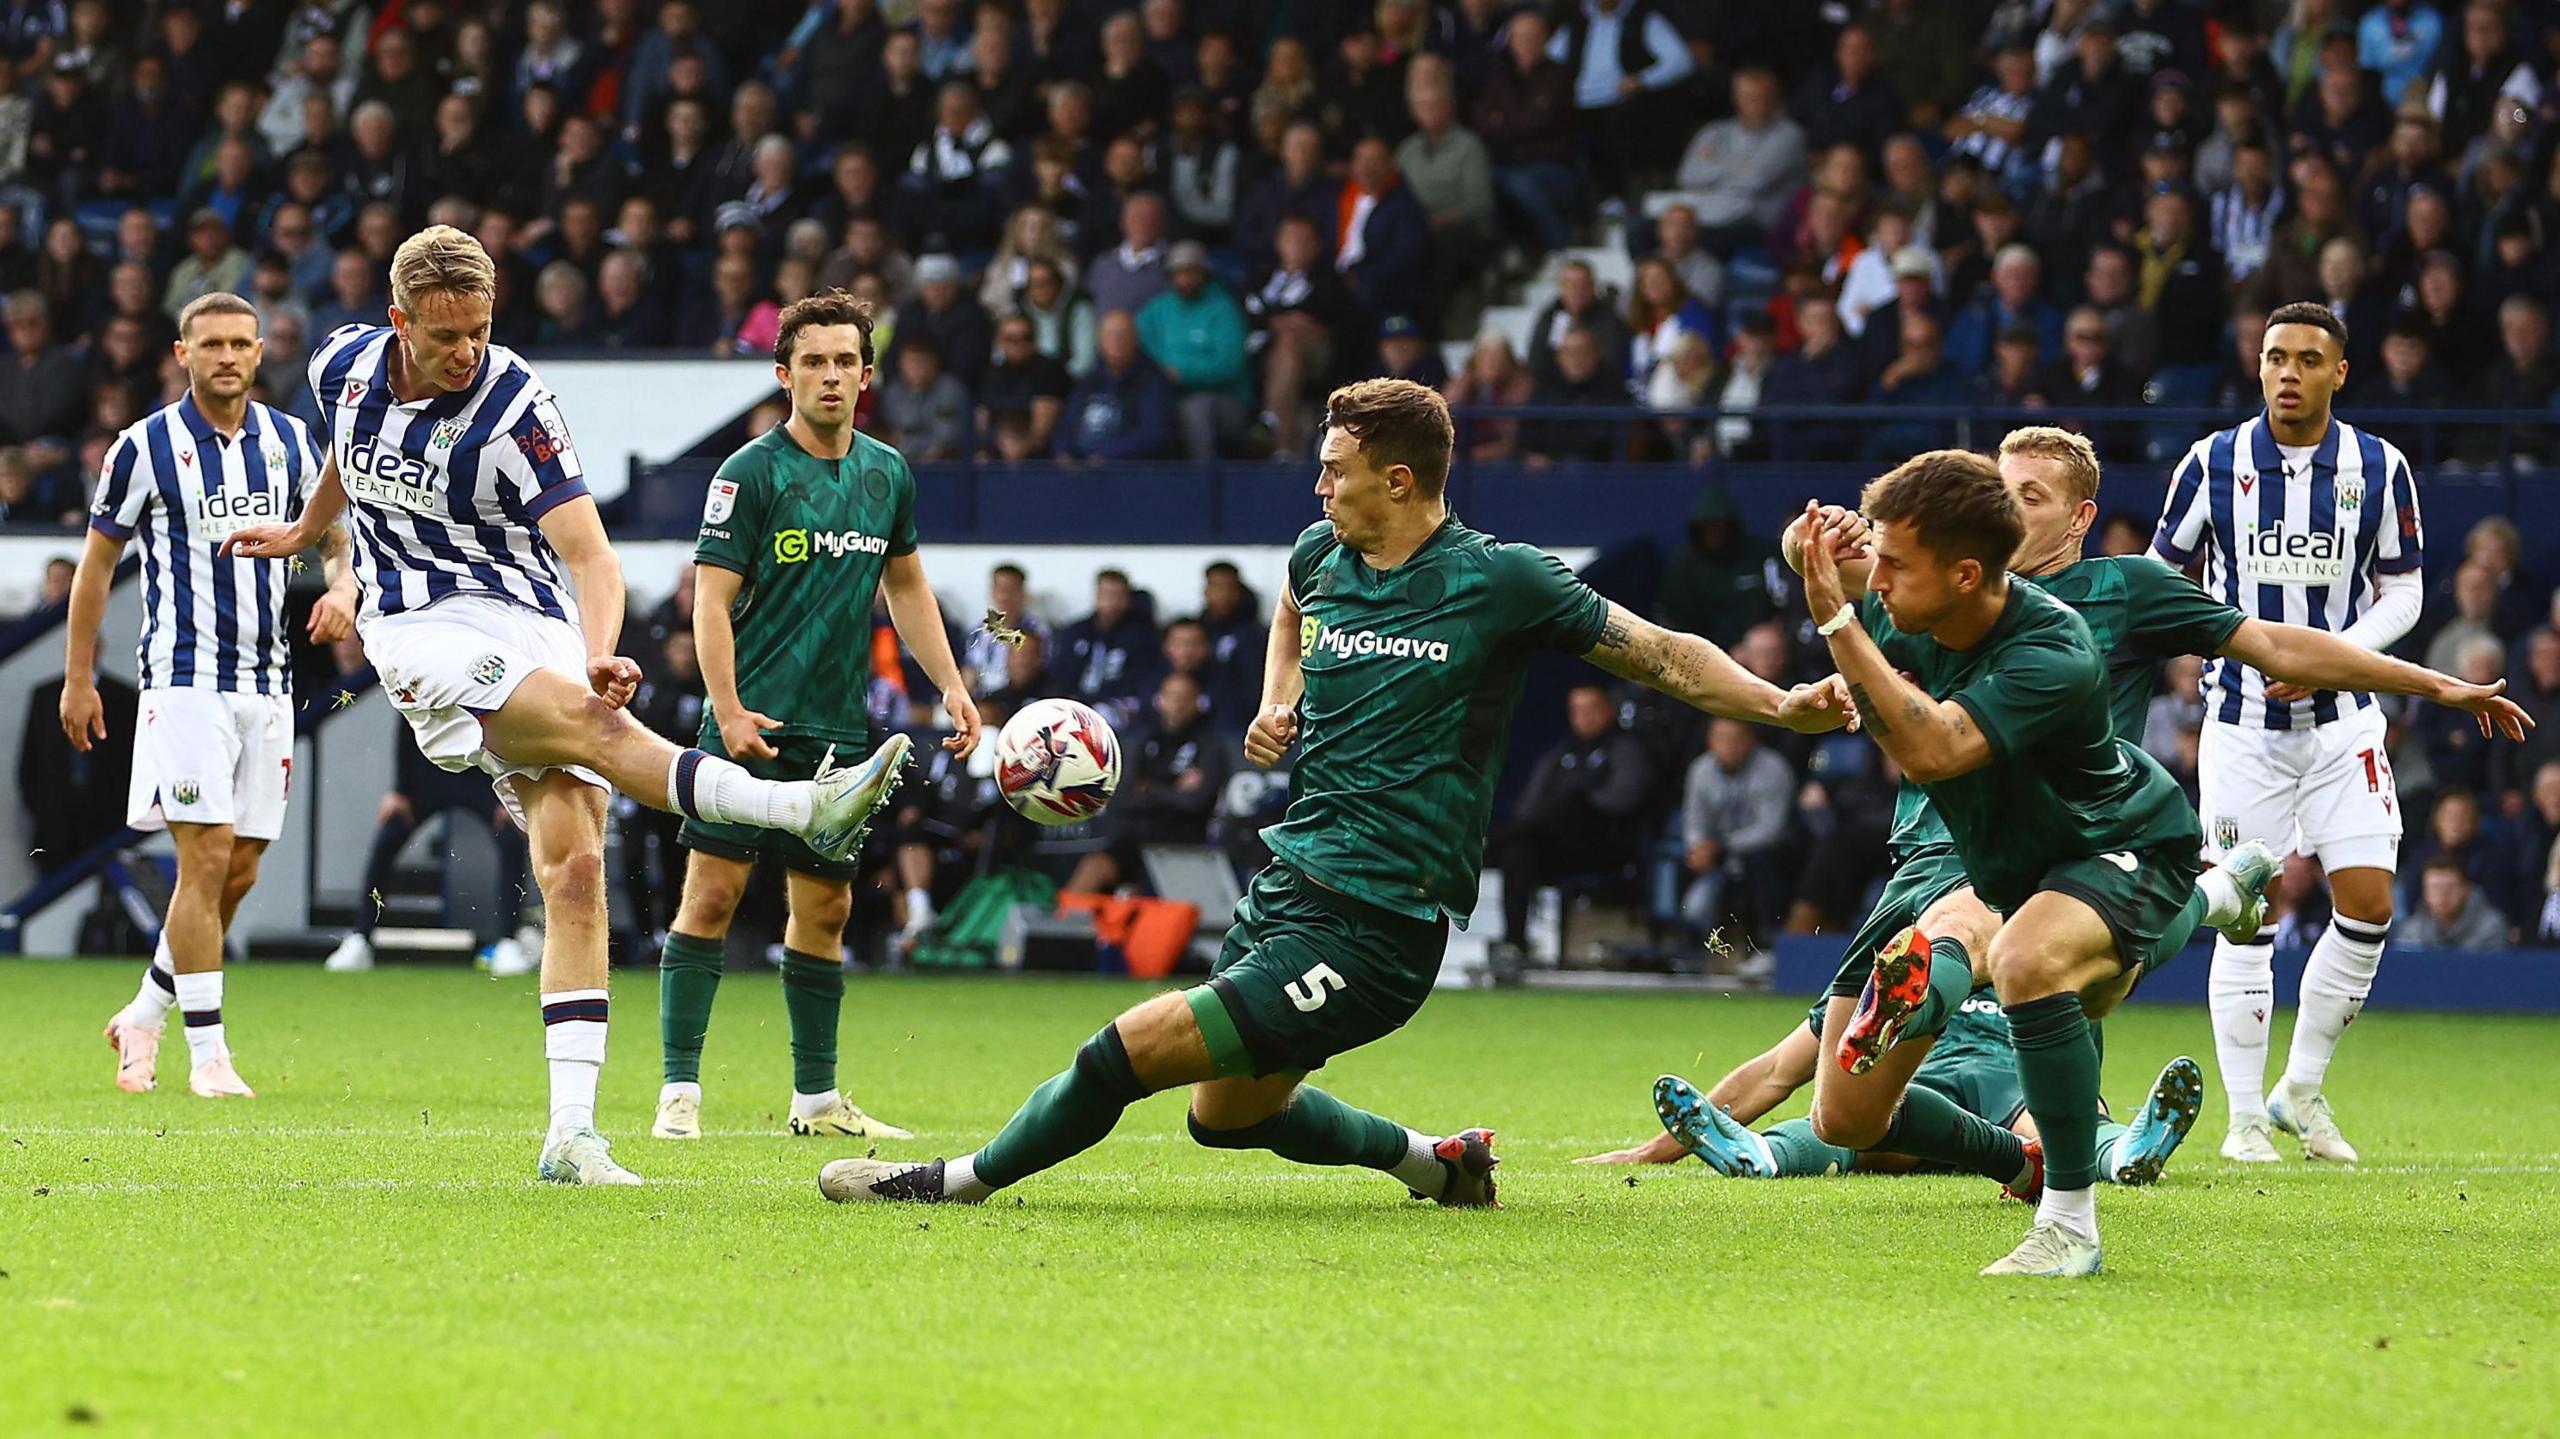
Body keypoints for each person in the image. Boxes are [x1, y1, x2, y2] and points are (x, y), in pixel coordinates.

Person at [813, 378, 1856, 1209]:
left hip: (1382, 919)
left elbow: (1664, 655)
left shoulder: (1501, 581)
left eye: (1335, 471)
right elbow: (1288, 606)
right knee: (1222, 1116)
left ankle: (954, 1182)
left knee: (1125, 1047)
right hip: (1292, 879)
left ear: (1398, 480)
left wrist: (1782, 702)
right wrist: (1280, 696)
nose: (1316, 489)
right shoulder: (1324, 552)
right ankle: (1440, 1163)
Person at [220, 228, 916, 1187]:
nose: (467, 350)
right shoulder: (342, 363)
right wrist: (308, 530)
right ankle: (795, 805)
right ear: (398, 323)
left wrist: (598, 647)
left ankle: (571, 1135)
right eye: (446, 335)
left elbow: (591, 555)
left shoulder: (517, 404)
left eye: (481, 328)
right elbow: (345, 451)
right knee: (597, 732)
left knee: (578, 868)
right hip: (419, 626)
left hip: (533, 616)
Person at [1784, 428, 2520, 1273]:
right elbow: (1836, 575)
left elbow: (2270, 643)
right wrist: (1821, 547)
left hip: (2118, 836)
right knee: (1847, 1115)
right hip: (2007, 846)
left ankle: (2068, 1223)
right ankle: (2215, 903)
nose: (1875, 582)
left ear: (2074, 518)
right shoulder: (1923, 598)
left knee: (2020, 957)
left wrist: (2431, 681)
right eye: (2003, 488)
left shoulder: (2074, 628)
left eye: (2033, 494)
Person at [651, 289, 979, 1145]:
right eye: (813, 361)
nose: (830, 376)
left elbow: (904, 587)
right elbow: (709, 604)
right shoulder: (748, 473)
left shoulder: (886, 472)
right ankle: (679, 1091)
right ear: (783, 372)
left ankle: (817, 1101)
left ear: (867, 375)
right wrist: (725, 710)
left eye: (844, 361)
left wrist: (949, 682)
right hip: (749, 718)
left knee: (825, 911)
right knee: (713, 893)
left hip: (837, 733)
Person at [2152, 302, 2424, 1167]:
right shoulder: (2212, 462)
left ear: (2339, 372)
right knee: (2246, 915)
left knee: (2370, 903)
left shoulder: (2379, 467)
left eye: (2309, 358)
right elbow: (2165, 575)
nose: (2288, 372)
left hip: (2344, 724)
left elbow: (2406, 591)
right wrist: (2220, 641)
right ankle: (2240, 1121)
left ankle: (2298, 1090)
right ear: (2258, 365)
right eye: (2275, 357)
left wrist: (2333, 657)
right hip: (2240, 728)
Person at [75, 293, 345, 1100]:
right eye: (211, 344)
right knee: (206, 853)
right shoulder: (143, 447)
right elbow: (95, 566)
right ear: (182, 352)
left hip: (269, 684)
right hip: (183, 677)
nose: (226, 356)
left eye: (239, 344)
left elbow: (338, 535)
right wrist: (80, 675)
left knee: (241, 868)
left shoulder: (294, 441)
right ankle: (210, 1054)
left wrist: (345, 590)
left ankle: (143, 1013)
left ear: (260, 352)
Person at [1580, 998, 2207, 1194]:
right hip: (1920, 1084)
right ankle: (1762, 1155)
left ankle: (2123, 1153)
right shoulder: (1894, 957)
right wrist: (1655, 1151)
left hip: (2013, 1078)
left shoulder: (2040, 948)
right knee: (1852, 1115)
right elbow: (1777, 1070)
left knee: (2055, 1120)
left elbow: (2076, 1058)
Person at [1489, 681, 1655, 955]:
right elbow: (1529, 806)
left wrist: (1578, 803)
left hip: (1607, 844)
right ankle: (1514, 941)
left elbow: (1623, 799)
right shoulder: (1561, 754)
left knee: (1570, 800)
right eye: (1577, 710)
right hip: (1559, 846)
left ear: (1607, 711)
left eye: (1591, 709)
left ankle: (1491, 840)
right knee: (1518, 851)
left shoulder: (1625, 749)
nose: (1584, 717)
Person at [2398, 854, 2511, 948]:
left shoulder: (2491, 927)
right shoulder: (2411, 931)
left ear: (2466, 889)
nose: (2442, 894)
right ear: (2425, 892)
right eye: (2435, 887)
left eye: (2450, 887)